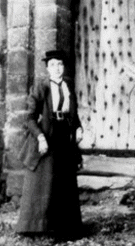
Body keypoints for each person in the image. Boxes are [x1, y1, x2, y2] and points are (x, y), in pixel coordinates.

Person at [16, 50, 84, 237]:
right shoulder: (41, 87)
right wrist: (40, 137)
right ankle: (37, 227)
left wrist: (78, 128)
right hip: (47, 135)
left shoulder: (68, 88)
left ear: (64, 67)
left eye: (60, 64)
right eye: (53, 64)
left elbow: (74, 115)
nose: (57, 68)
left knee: (64, 181)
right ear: (47, 68)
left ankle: (65, 227)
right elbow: (29, 118)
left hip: (64, 137)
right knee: (45, 181)